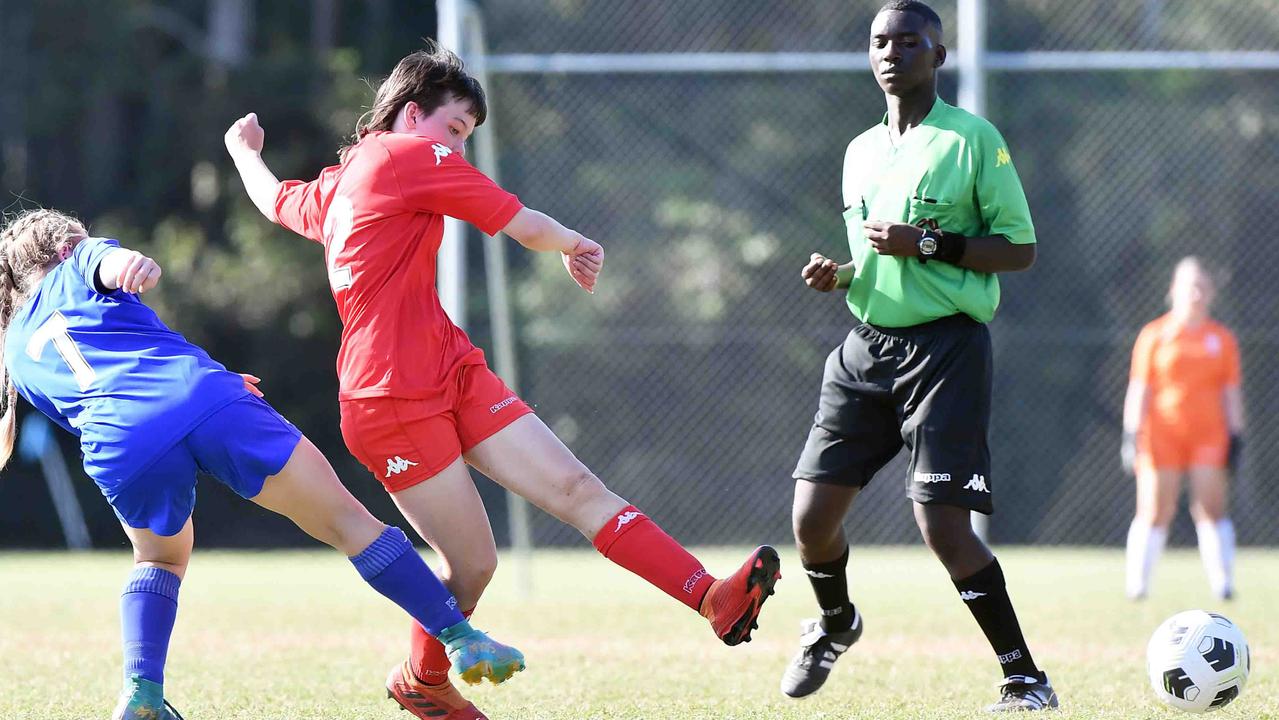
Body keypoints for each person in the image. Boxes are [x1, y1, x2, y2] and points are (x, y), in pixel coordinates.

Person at [224, 41, 780, 720]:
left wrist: (243, 151)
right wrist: (574, 242)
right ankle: (423, 682)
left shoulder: (340, 182)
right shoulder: (406, 156)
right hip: (388, 397)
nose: (456, 150)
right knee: (474, 566)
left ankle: (711, 597)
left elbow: (275, 199)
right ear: (408, 113)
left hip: (450, 367)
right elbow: (520, 223)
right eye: (453, 129)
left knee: (577, 489)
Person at [0, 209, 525, 720]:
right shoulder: (79, 259)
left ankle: (142, 692)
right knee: (349, 522)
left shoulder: (16, 352)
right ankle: (460, 638)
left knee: (158, 561)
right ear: (64, 246)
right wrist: (135, 266)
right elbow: (113, 264)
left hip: (119, 441)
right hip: (204, 397)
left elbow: (101, 395)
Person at [782, 1, 1056, 712]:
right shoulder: (859, 150)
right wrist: (838, 275)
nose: (890, 52)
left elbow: (1019, 250)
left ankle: (1024, 678)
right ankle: (836, 624)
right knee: (810, 521)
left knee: (941, 527)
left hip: (945, 350)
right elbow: (869, 258)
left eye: (908, 41)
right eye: (879, 41)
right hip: (864, 348)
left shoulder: (972, 140)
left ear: (937, 55)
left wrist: (927, 243)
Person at [1121, 257, 1244, 601]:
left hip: (1208, 436)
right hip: (1160, 436)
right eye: (1189, 285)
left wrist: (1236, 436)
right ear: (1173, 290)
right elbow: (1139, 388)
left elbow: (1230, 393)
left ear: (1211, 293)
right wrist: (1131, 435)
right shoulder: (1154, 335)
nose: (1196, 293)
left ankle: (1223, 583)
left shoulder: (1222, 339)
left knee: (1211, 507)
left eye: (1203, 286)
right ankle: (1138, 585)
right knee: (1155, 509)